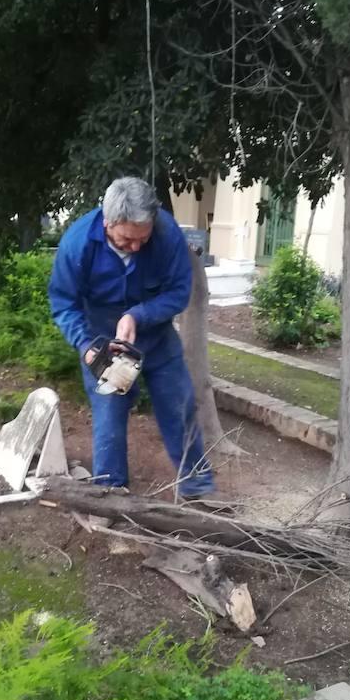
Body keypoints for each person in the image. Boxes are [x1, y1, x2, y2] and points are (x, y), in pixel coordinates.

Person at [49, 176, 214, 499]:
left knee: (180, 409)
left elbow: (180, 292)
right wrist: (85, 345)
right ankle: (110, 496)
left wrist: (137, 315)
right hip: (104, 344)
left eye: (143, 238)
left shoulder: (166, 234)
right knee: (109, 418)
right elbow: (63, 303)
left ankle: (198, 490)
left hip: (157, 340)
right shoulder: (77, 243)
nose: (136, 246)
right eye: (127, 239)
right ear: (108, 222)